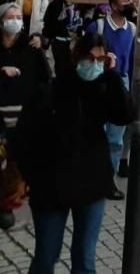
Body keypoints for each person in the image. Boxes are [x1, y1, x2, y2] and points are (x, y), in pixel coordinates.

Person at [12, 31, 131, 274]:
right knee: (46, 256)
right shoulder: (50, 90)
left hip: (91, 183)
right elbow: (23, 138)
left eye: (100, 60)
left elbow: (124, 114)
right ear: (77, 57)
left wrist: (112, 76)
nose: (95, 64)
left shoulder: (103, 87)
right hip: (51, 186)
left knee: (85, 259)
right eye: (90, 58)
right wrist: (32, 178)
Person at [0, 3, 50, 230]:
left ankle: (13, 206)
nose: (15, 20)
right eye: (10, 16)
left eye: (19, 16)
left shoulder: (31, 48)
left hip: (24, 117)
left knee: (20, 165)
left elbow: (45, 80)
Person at [92, 0, 136, 197]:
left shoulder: (132, 29)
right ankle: (92, 174)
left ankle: (108, 179)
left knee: (116, 138)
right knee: (95, 130)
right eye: (126, 1)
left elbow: (135, 60)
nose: (131, 3)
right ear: (115, 6)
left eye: (132, 0)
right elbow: (84, 54)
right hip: (99, 82)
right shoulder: (98, 27)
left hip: (122, 82)